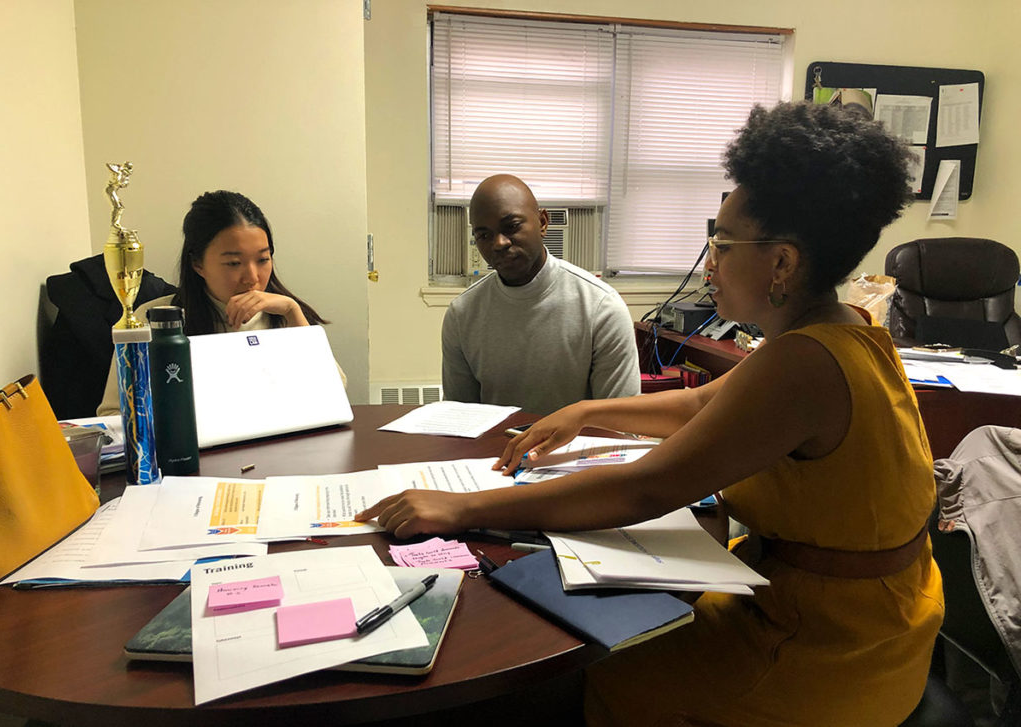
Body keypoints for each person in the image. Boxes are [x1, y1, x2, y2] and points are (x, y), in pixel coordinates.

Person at [358, 102, 943, 726]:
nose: (709, 261)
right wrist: (585, 411)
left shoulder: (803, 365)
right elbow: (698, 403)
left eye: (721, 242)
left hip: (826, 651)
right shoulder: (839, 331)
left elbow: (647, 487)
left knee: (592, 670)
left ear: (782, 264)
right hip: (870, 615)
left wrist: (459, 506)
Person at [97, 190, 344, 416]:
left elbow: (336, 390)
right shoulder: (153, 319)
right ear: (198, 264)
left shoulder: (283, 313)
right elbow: (113, 413)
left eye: (263, 259)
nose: (253, 277)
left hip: (285, 449)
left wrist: (292, 311)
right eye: (234, 263)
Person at [441, 174, 640, 416]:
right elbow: (459, 420)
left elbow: (619, 424)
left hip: (578, 452)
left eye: (511, 227)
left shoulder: (601, 307)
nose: (499, 243)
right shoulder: (462, 314)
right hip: (493, 452)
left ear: (543, 222)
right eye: (484, 235)